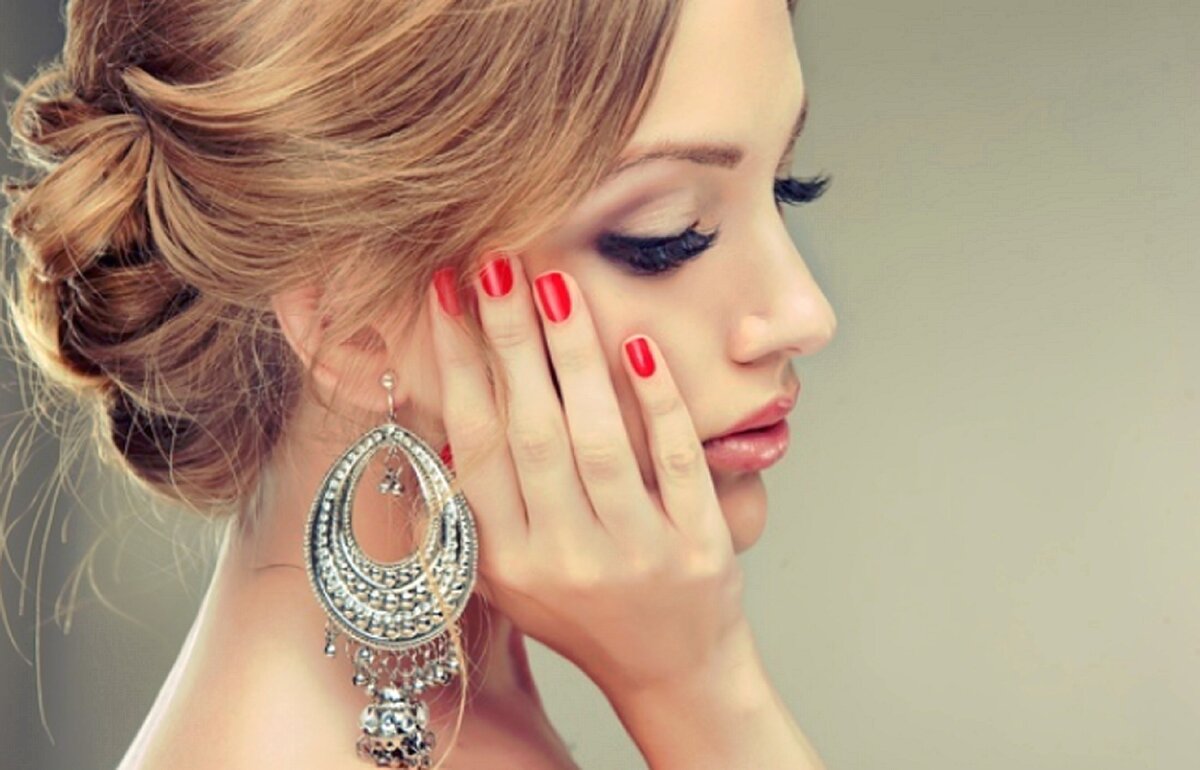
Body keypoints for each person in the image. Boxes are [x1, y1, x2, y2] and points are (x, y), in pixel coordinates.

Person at [1, 0, 837, 767]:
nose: (805, 312)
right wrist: (702, 690)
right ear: (349, 323)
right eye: (670, 236)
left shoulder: (471, 709)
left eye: (785, 187)